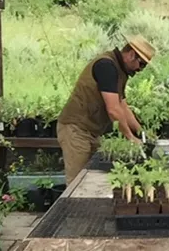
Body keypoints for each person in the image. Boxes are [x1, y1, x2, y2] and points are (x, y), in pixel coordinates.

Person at [57, 34, 155, 185]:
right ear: (131, 54)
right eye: (141, 64)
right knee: (77, 185)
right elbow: (114, 110)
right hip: (76, 129)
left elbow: (122, 105)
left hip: (92, 131)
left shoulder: (120, 69)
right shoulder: (106, 66)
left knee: (93, 181)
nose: (140, 69)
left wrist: (141, 132)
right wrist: (130, 137)